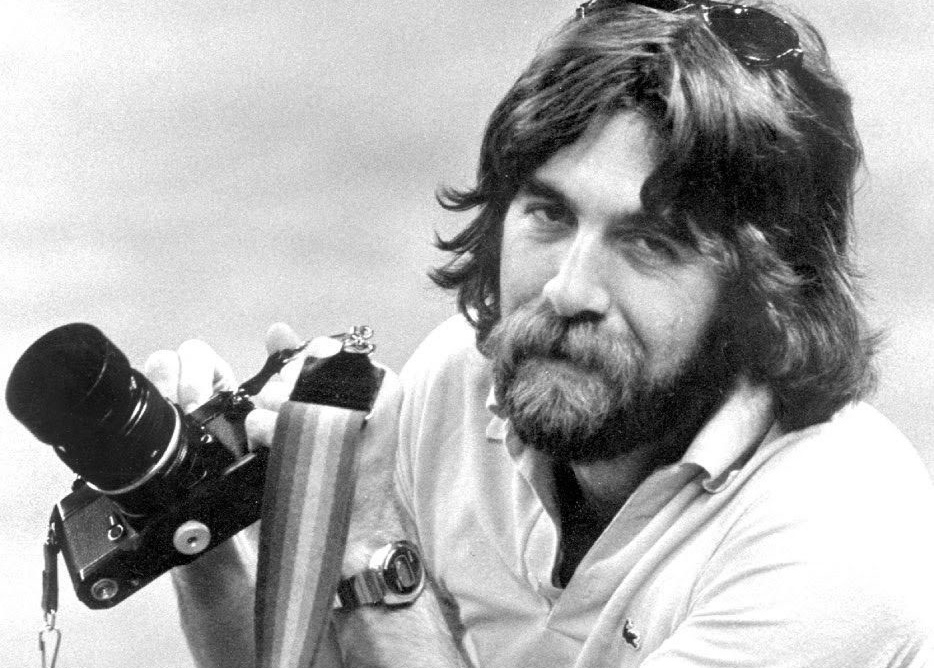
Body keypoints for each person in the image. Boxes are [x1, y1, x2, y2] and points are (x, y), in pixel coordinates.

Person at [146, 1, 934, 666]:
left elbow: (386, 614)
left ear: (762, 291)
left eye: (650, 243)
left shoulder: (839, 537)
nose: (568, 289)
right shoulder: (458, 383)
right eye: (549, 215)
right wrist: (206, 550)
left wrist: (369, 543)